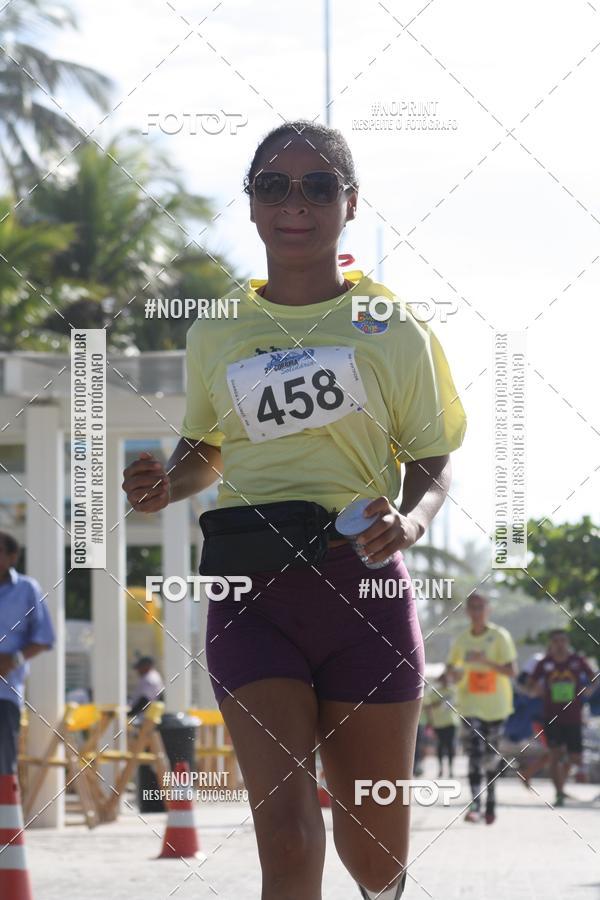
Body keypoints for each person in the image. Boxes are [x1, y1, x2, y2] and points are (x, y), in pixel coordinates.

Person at [122, 120, 467, 900]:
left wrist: (411, 523)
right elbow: (207, 450)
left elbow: (433, 456)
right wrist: (164, 485)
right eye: (274, 185)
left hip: (365, 593)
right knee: (283, 831)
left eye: (317, 186)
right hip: (253, 592)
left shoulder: (390, 326)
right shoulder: (218, 332)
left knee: (375, 854)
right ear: (250, 206)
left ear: (350, 203)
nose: (295, 203)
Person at [445, 593, 517, 825]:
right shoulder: (461, 640)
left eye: (480, 607)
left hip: (496, 707)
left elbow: (511, 671)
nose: (476, 612)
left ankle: (491, 802)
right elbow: (450, 672)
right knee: (474, 754)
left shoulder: (499, 636)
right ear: (467, 611)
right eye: (472, 607)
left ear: (488, 610)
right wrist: (452, 675)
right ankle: (475, 803)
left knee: (491, 758)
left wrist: (486, 662)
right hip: (470, 705)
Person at [0, 531, 56, 774]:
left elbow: (44, 638)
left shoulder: (27, 589)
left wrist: (14, 659)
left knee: (3, 763)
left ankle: (6, 812)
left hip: (5, 692)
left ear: (12, 557)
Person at [526, 629, 599, 806]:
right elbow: (530, 684)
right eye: (556, 641)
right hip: (552, 716)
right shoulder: (545, 663)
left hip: (574, 716)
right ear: (551, 644)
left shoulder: (577, 661)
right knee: (554, 755)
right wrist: (536, 690)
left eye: (563, 641)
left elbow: (594, 676)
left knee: (576, 758)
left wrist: (589, 690)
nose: (560, 645)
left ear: (567, 642)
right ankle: (559, 793)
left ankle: (562, 769)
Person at [423, 672, 459, 778]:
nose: (446, 682)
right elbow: (428, 706)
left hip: (451, 722)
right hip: (438, 723)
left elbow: (459, 703)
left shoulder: (454, 690)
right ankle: (441, 769)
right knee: (440, 746)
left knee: (451, 746)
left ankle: (451, 769)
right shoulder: (435, 692)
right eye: (444, 679)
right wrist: (430, 721)